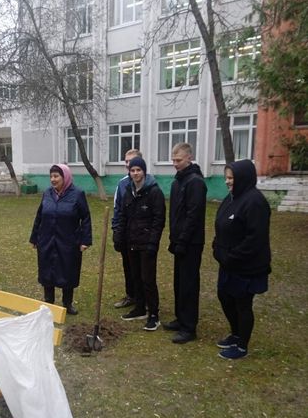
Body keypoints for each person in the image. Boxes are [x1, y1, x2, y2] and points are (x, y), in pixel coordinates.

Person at [213, 159, 271, 360]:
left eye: (231, 178)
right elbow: (221, 225)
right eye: (226, 177)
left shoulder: (255, 202)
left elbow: (255, 239)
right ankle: (236, 333)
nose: (227, 182)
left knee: (242, 304)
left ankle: (242, 345)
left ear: (243, 178)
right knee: (224, 296)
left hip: (246, 266)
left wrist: (232, 256)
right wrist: (216, 247)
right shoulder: (231, 198)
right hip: (227, 263)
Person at [30, 164, 92, 315]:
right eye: (51, 176)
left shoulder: (77, 194)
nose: (53, 179)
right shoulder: (47, 194)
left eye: (56, 176)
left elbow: (86, 218)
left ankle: (67, 303)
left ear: (65, 177)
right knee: (47, 270)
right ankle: (49, 301)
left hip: (69, 241)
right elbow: (39, 216)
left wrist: (85, 240)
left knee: (67, 271)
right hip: (47, 240)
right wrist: (34, 237)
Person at [113, 157, 166, 331]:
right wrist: (119, 236)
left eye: (138, 170)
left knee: (147, 279)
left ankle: (154, 315)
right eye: (132, 170)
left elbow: (159, 220)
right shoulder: (129, 191)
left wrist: (153, 243)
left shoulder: (154, 192)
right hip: (131, 241)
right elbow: (123, 216)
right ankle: (140, 308)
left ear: (144, 171)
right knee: (135, 276)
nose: (135, 173)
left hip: (147, 243)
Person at [164, 143, 207, 344]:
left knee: (189, 284)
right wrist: (174, 239)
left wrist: (183, 240)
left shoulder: (195, 182)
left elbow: (193, 215)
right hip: (179, 240)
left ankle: (189, 327)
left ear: (189, 158)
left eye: (178, 160)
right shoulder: (178, 181)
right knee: (179, 282)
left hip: (191, 242)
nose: (175, 163)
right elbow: (176, 214)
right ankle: (180, 319)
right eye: (173, 160)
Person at [111, 149, 142, 309]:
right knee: (128, 266)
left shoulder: (148, 182)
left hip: (141, 235)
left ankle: (143, 299)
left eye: (131, 161)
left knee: (142, 269)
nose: (128, 165)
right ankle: (131, 295)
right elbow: (117, 208)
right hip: (125, 233)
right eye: (126, 162)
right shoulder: (122, 184)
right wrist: (116, 231)